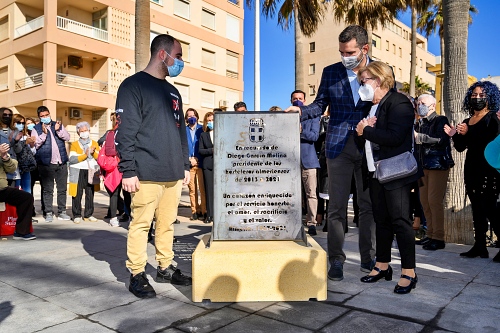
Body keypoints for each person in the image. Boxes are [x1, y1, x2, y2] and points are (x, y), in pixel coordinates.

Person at [285, 25, 376, 280]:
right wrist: (301, 111)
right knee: (336, 206)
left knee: (368, 206)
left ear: (364, 49)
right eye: (341, 52)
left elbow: (386, 101)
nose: (344, 57)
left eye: (349, 52)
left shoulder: (380, 70)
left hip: (369, 145)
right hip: (338, 146)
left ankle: (368, 257)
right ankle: (336, 259)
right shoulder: (331, 72)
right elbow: (320, 104)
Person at [115, 34, 192, 299]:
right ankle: (137, 273)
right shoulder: (132, 86)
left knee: (167, 223)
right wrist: (128, 170)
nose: (180, 61)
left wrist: (184, 165)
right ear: (163, 54)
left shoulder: (173, 92)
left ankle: (165, 266)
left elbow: (180, 132)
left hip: (172, 172)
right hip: (145, 171)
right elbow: (125, 133)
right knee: (140, 224)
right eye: (178, 55)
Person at [355, 61, 419, 294]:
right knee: (381, 220)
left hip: (396, 173)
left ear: (378, 80)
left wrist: (367, 131)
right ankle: (382, 266)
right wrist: (361, 131)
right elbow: (364, 138)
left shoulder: (399, 101)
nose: (362, 85)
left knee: (400, 221)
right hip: (375, 172)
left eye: (365, 81)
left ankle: (409, 272)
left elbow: (395, 136)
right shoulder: (370, 107)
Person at [444, 81, 500, 259]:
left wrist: (469, 133)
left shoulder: (493, 118)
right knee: (477, 208)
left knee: (490, 208)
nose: (477, 98)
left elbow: (490, 142)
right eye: (474, 95)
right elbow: (462, 147)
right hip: (471, 169)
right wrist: (456, 135)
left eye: (482, 95)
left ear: (490, 98)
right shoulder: (467, 120)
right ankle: (480, 247)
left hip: (489, 170)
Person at [414, 94, 453, 251]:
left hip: (438, 165)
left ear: (432, 106)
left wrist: (420, 137)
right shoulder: (420, 122)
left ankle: (438, 237)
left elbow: (440, 140)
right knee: (424, 201)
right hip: (423, 167)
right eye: (417, 102)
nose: (418, 105)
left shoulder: (440, 120)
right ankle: (429, 234)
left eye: (422, 102)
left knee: (434, 201)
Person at [31, 106, 71, 222]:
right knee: (48, 190)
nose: (45, 117)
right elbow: (35, 145)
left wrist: (59, 130)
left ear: (49, 114)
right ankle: (48, 212)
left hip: (61, 162)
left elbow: (67, 137)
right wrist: (43, 134)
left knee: (62, 188)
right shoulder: (36, 129)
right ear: (39, 117)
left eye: (46, 115)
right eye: (42, 116)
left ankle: (62, 212)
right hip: (46, 163)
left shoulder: (57, 125)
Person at [291, 90, 320, 235]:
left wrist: (301, 131)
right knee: (292, 193)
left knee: (311, 194)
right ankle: (292, 220)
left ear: (305, 100)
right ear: (291, 101)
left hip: (309, 161)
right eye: (295, 99)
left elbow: (315, 136)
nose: (297, 101)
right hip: (290, 162)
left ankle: (312, 222)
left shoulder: (313, 117)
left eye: (300, 98)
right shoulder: (286, 116)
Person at [0, 142, 36, 240]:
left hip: (2, 189)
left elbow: (12, 168)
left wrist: (4, 157)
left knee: (26, 197)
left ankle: (21, 232)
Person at [99, 112, 130, 223]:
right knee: (115, 192)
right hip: (116, 166)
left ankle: (126, 214)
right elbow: (100, 141)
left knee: (125, 192)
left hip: (124, 165)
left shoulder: (126, 132)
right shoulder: (110, 133)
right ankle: (114, 216)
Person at [68, 121, 100, 224]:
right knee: (77, 193)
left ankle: (88, 214)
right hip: (78, 171)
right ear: (78, 133)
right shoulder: (74, 144)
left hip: (92, 170)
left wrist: (93, 152)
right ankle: (77, 215)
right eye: (82, 131)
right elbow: (72, 159)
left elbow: (99, 158)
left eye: (86, 130)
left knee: (90, 193)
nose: (84, 132)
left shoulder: (94, 143)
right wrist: (85, 155)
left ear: (89, 131)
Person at [185, 108, 206, 221]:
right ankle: (194, 211)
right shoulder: (184, 130)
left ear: (197, 117)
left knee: (202, 189)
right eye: (189, 116)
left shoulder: (202, 129)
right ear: (186, 118)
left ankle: (204, 210)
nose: (191, 117)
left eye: (193, 115)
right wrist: (189, 158)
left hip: (200, 163)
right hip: (189, 164)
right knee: (192, 190)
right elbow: (182, 146)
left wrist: (198, 158)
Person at [0, 108, 23, 187]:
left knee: (10, 196)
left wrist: (16, 141)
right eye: (5, 115)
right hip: (1, 167)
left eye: (9, 115)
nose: (7, 117)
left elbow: (18, 150)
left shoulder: (15, 130)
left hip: (11, 167)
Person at [199, 112, 214, 224]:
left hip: (220, 166)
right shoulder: (203, 135)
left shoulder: (222, 133)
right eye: (208, 121)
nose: (210, 122)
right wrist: (211, 150)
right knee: (208, 191)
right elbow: (201, 150)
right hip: (208, 165)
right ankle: (209, 215)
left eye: (212, 120)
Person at [27, 117, 43, 218]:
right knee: (29, 188)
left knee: (44, 186)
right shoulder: (24, 136)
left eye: (31, 123)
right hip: (30, 165)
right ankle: (30, 209)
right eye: (27, 123)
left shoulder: (38, 133)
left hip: (40, 164)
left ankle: (45, 207)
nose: (29, 125)